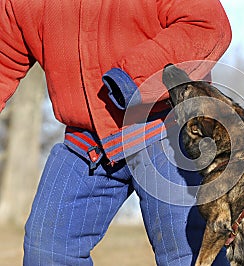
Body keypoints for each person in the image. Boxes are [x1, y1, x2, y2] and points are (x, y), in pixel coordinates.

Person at [0, 0, 232, 265]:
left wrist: (135, 77)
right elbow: (4, 56)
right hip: (85, 141)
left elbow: (207, 26)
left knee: (188, 253)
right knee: (49, 251)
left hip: (167, 127)